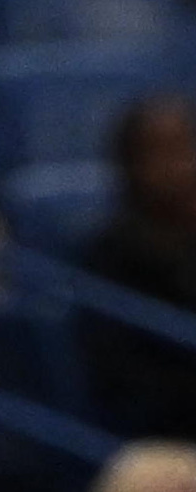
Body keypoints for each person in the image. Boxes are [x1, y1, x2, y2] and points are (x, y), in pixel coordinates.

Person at [84, 99, 196, 450]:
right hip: (162, 445)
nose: (182, 167)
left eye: (188, 148)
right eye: (162, 152)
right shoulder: (106, 258)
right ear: (130, 165)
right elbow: (122, 384)